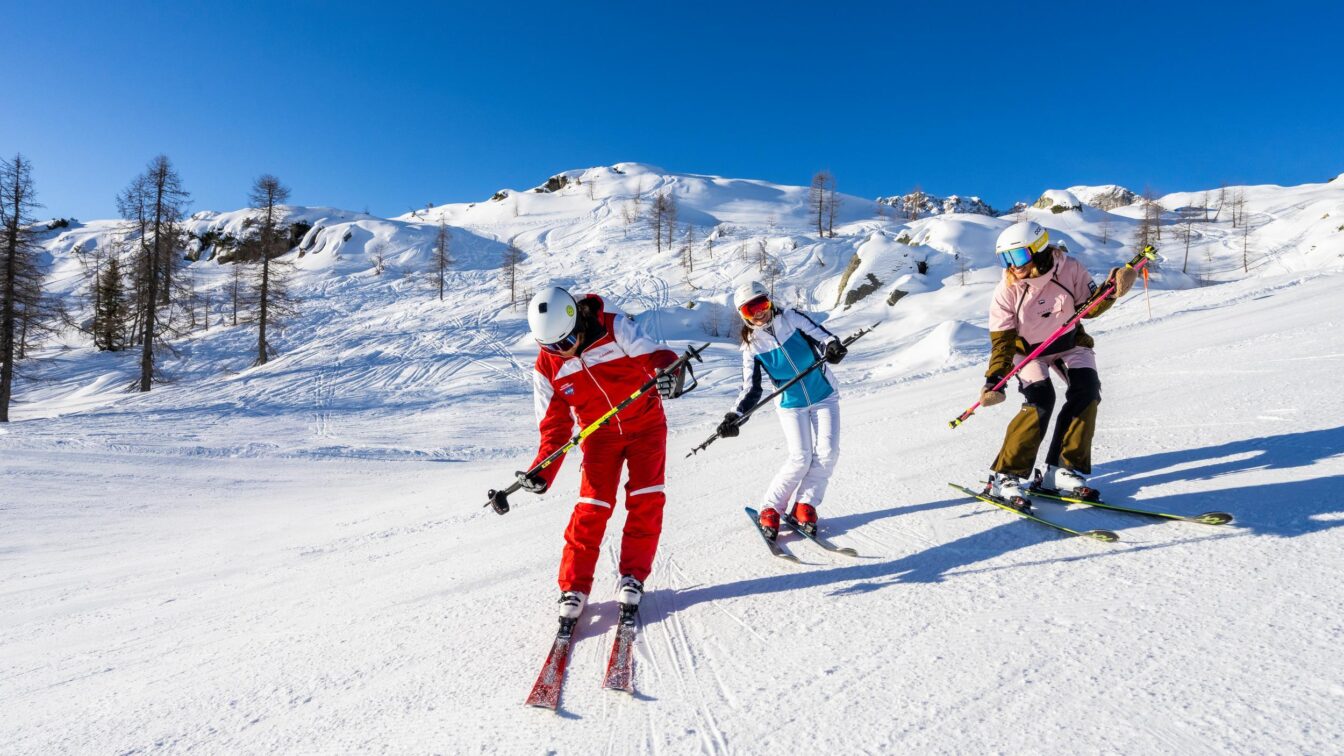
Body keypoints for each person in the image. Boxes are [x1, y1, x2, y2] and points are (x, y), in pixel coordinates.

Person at [488, 286, 687, 622]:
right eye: (552, 348)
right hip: (599, 436)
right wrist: (541, 473)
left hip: (646, 426)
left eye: (566, 343)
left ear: (577, 322)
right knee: (592, 507)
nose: (563, 353)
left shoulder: (615, 328)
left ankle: (633, 576)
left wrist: (670, 375)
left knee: (646, 499)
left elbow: (658, 357)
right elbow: (553, 430)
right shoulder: (546, 368)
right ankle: (574, 586)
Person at [979, 221, 1136, 507]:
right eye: (1005, 259)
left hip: (1068, 343)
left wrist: (1112, 289)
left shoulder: (1069, 269)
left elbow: (1089, 307)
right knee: (1040, 400)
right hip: (1028, 352)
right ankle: (1005, 476)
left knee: (1086, 392)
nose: (1012, 266)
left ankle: (1060, 470)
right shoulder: (1007, 290)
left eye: (1017, 257)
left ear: (1039, 250)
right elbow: (1002, 342)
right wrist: (994, 380)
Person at [716, 281, 847, 540]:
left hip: (824, 395)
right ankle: (770, 508)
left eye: (761, 304)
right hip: (791, 404)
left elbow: (823, 338)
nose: (759, 313)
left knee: (828, 454)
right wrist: (734, 416)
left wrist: (833, 348)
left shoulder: (791, 318)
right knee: (800, 458)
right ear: (743, 315)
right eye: (750, 310)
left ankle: (804, 505)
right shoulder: (751, 346)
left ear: (770, 302)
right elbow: (750, 389)